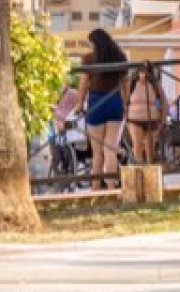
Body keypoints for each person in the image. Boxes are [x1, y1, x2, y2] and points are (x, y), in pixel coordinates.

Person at [64, 28, 128, 189]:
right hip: (115, 102)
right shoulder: (120, 57)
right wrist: (125, 103)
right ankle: (112, 188)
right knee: (111, 149)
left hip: (96, 103)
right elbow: (126, 82)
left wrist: (80, 104)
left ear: (95, 43)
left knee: (97, 151)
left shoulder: (89, 58)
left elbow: (83, 84)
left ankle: (96, 190)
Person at [124, 60, 166, 167]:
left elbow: (163, 102)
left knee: (150, 147)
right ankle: (138, 169)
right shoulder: (131, 84)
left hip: (153, 119)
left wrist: (162, 119)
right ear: (137, 71)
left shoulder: (155, 85)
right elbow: (125, 101)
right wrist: (125, 118)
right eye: (141, 70)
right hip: (134, 119)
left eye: (146, 70)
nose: (144, 73)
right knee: (137, 145)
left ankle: (149, 169)